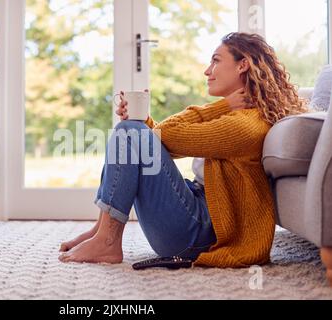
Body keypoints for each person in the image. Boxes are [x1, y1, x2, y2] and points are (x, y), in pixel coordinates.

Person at [58, 32, 309, 267]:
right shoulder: (240, 117)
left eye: (215, 61)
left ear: (242, 65)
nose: (207, 70)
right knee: (130, 132)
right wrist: (143, 123)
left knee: (130, 132)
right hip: (197, 213)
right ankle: (102, 230)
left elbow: (166, 136)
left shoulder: (245, 125)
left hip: (199, 233)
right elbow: (164, 141)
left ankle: (108, 241)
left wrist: (219, 107)